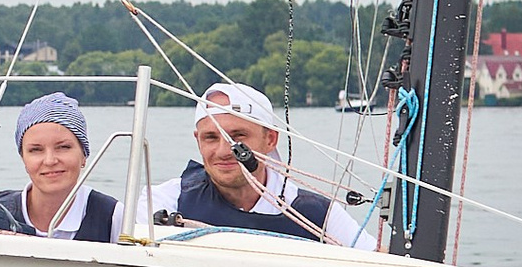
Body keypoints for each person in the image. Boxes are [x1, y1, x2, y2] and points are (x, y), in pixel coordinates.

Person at [158, 79, 374, 248]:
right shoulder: (167, 201)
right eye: (211, 138)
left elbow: (382, 263)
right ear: (198, 140)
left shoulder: (318, 215)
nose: (224, 151)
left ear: (270, 139)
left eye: (238, 137)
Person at [3, 90, 118, 242]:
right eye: (36, 150)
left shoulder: (113, 216)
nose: (50, 161)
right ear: (23, 158)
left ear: (84, 155)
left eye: (63, 147)